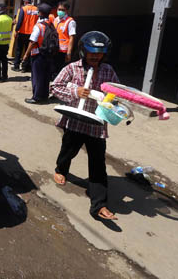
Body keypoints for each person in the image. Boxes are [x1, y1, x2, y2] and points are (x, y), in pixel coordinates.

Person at [51, 31, 119, 221]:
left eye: (99, 53)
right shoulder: (72, 68)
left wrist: (112, 101)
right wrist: (76, 90)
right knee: (68, 151)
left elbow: (117, 93)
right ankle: (60, 170)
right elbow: (55, 87)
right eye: (91, 52)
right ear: (83, 51)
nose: (95, 56)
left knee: (98, 163)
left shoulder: (108, 71)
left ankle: (99, 204)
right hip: (74, 121)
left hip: (96, 125)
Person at [22, 3, 54, 104]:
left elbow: (32, 41)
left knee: (37, 76)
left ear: (40, 13)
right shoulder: (51, 24)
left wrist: (26, 54)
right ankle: (44, 96)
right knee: (45, 76)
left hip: (38, 54)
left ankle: (36, 97)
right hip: (48, 54)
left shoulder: (39, 26)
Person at [12, 0, 38, 72]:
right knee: (28, 50)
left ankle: (16, 66)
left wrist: (16, 30)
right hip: (32, 34)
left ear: (26, 1)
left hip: (23, 32)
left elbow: (19, 21)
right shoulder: (36, 9)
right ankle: (25, 67)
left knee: (19, 50)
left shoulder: (23, 9)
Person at [52, 1, 76, 78]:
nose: (60, 11)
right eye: (59, 9)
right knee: (53, 68)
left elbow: (72, 37)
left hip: (63, 51)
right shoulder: (56, 19)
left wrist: (69, 52)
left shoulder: (70, 22)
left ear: (66, 11)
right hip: (54, 48)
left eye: (63, 10)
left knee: (60, 69)